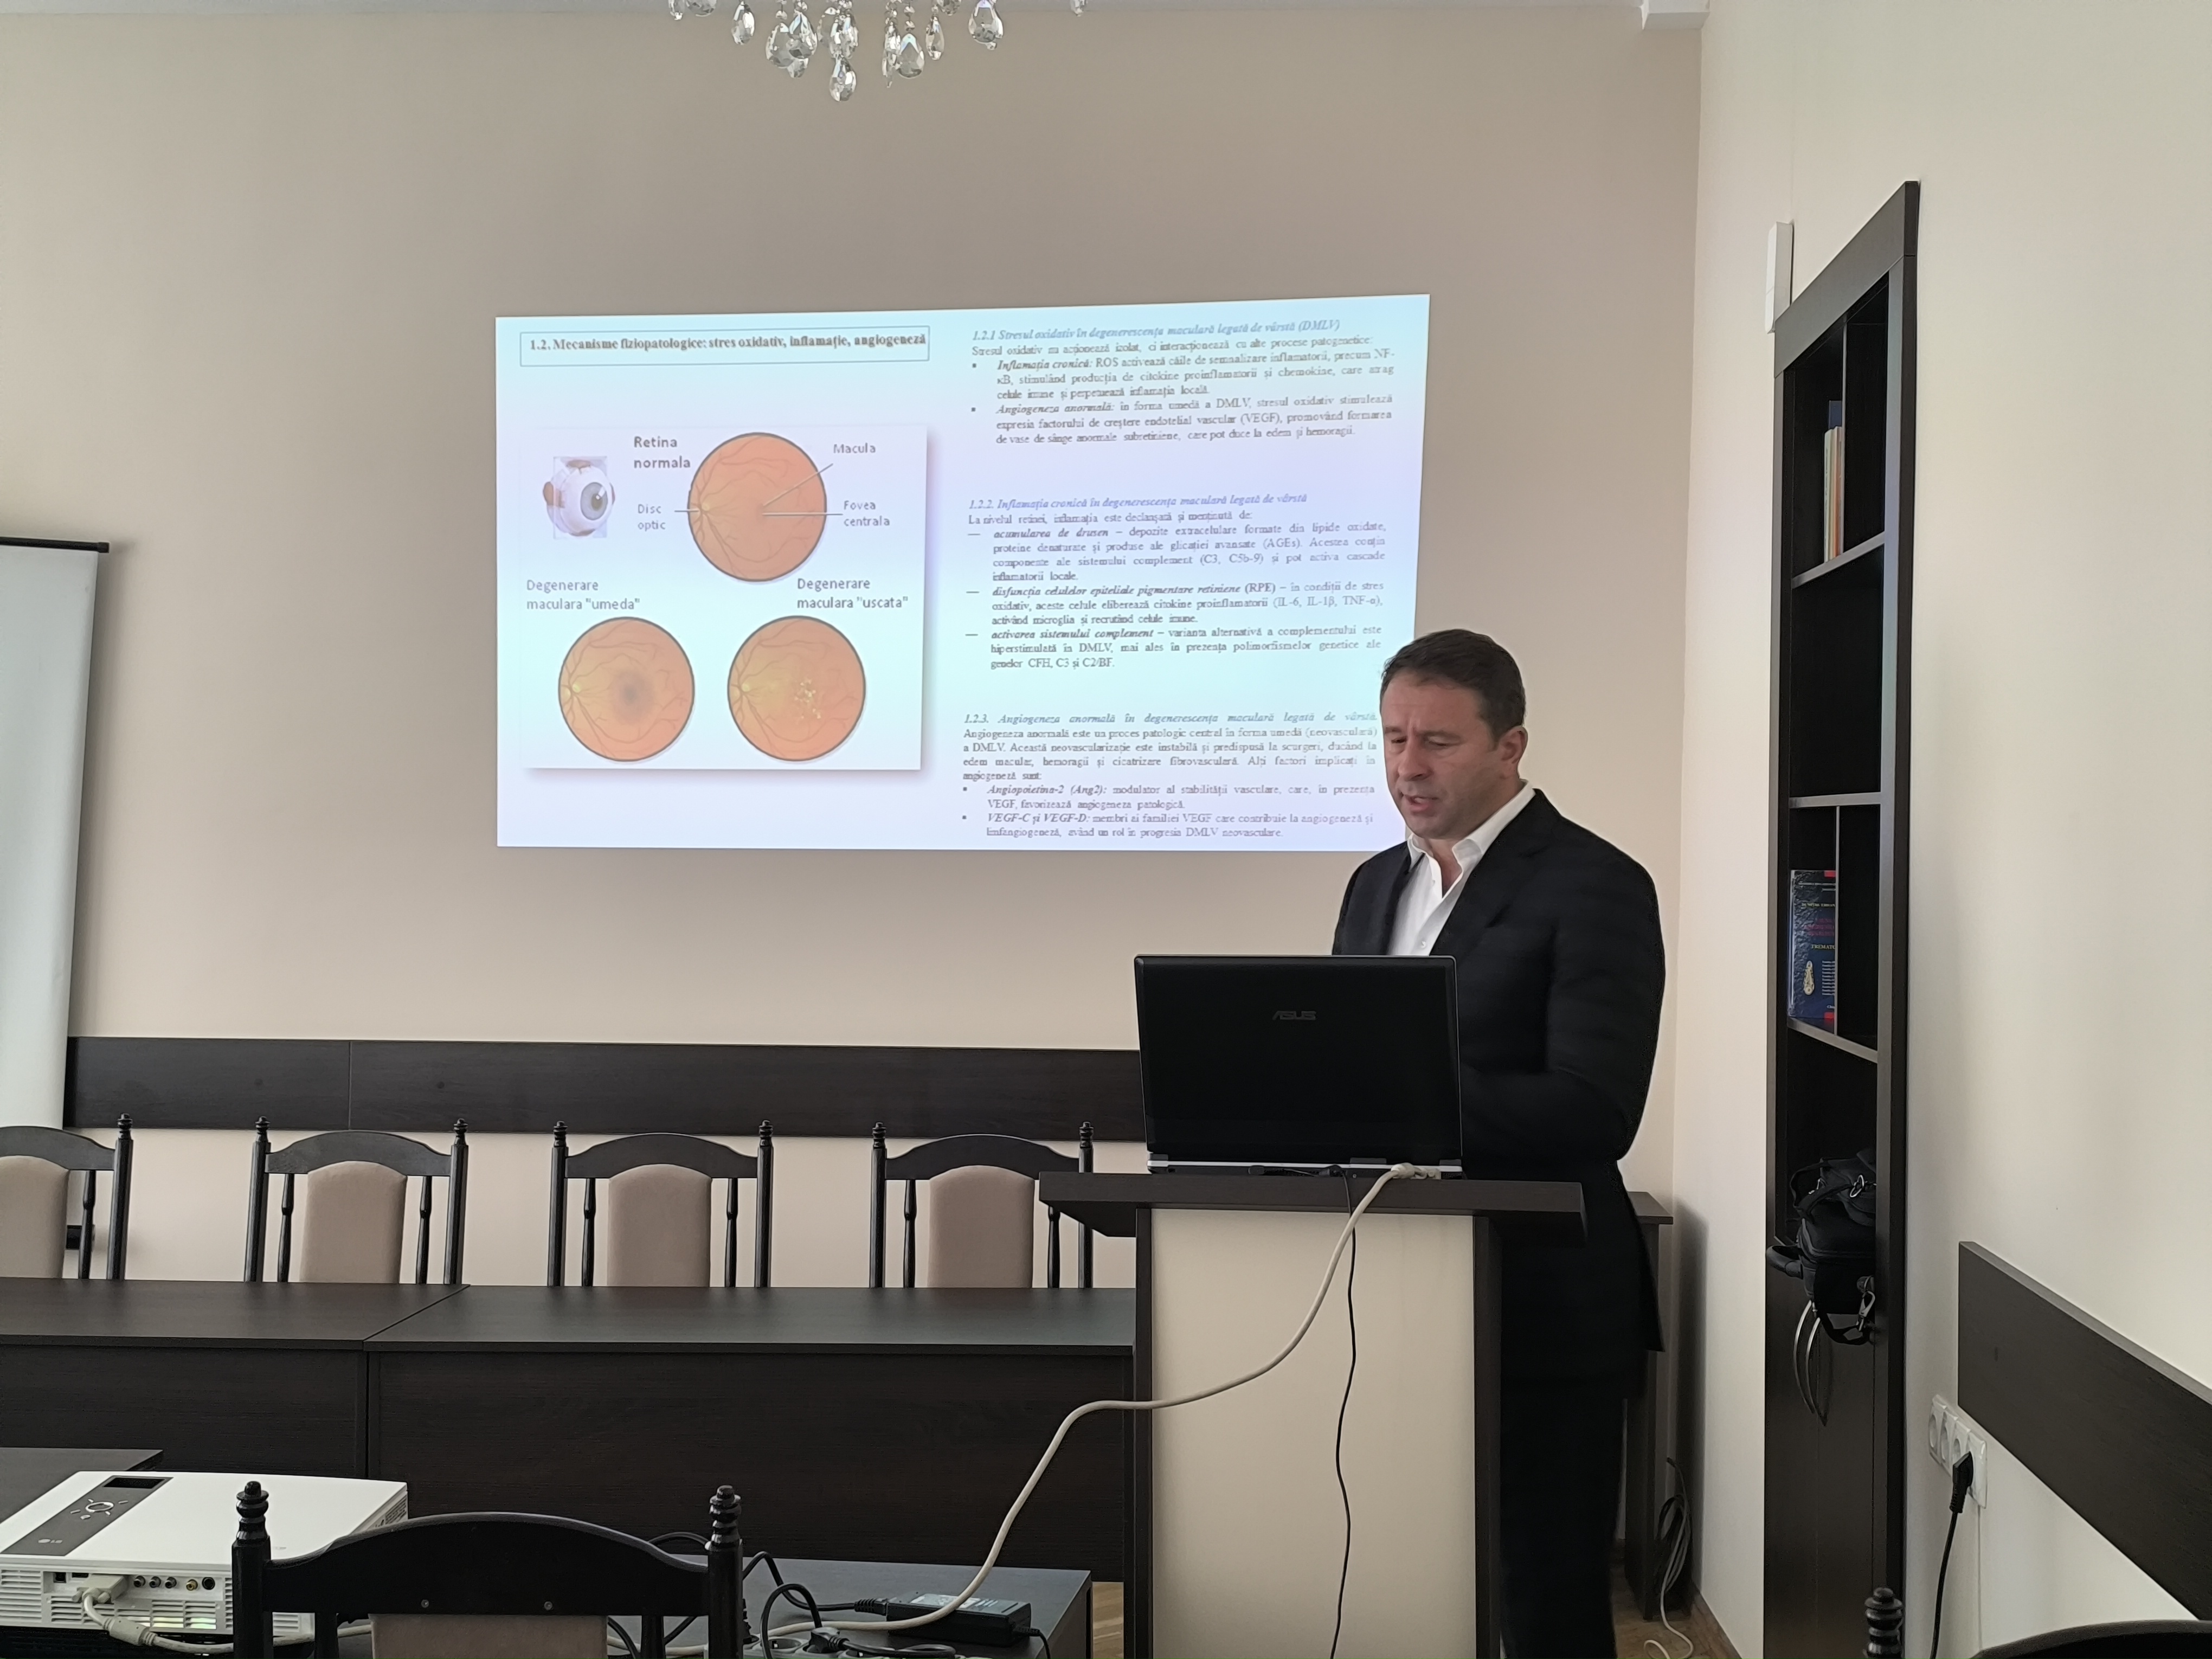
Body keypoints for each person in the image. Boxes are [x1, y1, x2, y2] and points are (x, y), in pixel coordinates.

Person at [1331, 629, 1664, 1659]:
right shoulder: (1374, 886)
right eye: (1393, 738)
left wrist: (1406, 1101)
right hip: (1393, 1294)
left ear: (1510, 747)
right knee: (1405, 1585)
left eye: (1437, 742)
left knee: (1544, 1599)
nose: (1408, 766)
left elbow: (1596, 1109)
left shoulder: (1596, 884)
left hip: (1541, 1304)